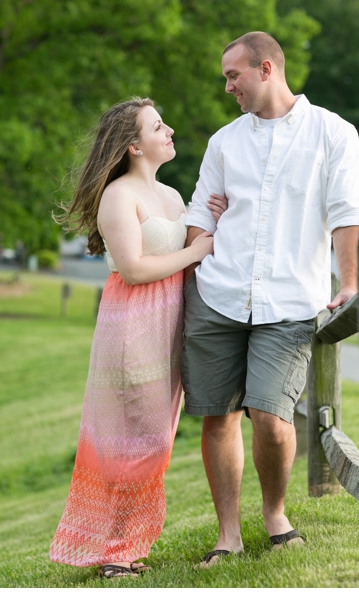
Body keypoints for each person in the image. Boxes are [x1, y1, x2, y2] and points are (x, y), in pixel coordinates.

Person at [183, 32, 359, 568]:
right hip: (217, 295)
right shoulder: (224, 142)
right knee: (216, 417)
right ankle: (227, 535)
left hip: (289, 302)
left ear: (266, 68)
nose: (227, 87)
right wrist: (194, 245)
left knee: (269, 414)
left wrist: (350, 282)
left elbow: (345, 213)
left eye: (232, 75)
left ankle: (274, 514)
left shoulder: (333, 133)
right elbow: (200, 212)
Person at [50, 97, 227, 578]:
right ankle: (114, 551)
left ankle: (126, 544)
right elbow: (132, 268)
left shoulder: (170, 196)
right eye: (157, 126)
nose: (169, 130)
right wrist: (194, 254)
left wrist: (219, 216)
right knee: (133, 436)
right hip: (131, 326)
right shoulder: (119, 196)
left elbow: (199, 245)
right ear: (133, 146)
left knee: (157, 437)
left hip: (168, 327)